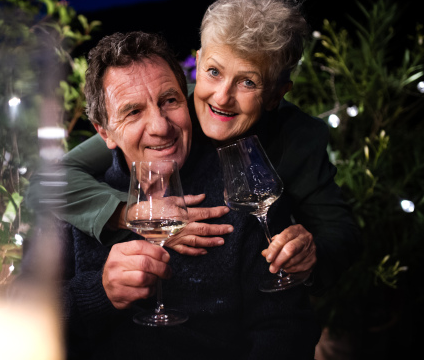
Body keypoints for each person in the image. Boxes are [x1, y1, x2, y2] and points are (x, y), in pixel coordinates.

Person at [30, 0, 361, 294]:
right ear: (198, 63)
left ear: (277, 94)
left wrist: (310, 257)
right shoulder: (169, 112)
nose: (221, 98)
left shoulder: (299, 137)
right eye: (214, 72)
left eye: (248, 82)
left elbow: (340, 234)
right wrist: (137, 215)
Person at [53, 30, 320, 359]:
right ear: (104, 131)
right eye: (133, 111)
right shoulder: (72, 203)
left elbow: (285, 327)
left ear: (188, 100)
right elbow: (20, 311)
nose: (160, 126)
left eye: (169, 101)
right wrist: (98, 292)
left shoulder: (240, 191)